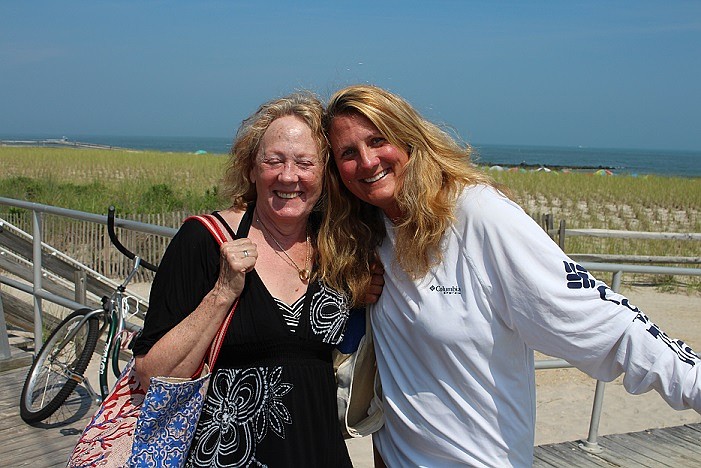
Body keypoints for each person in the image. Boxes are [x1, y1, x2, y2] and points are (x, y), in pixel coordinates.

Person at [318, 84, 701, 467]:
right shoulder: (367, 231)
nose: (367, 162)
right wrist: (352, 287)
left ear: (409, 140)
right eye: (348, 153)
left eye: (378, 140)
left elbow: (606, 321)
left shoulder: (477, 216)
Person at [132, 92, 381, 467]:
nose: (288, 176)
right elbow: (152, 377)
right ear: (251, 169)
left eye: (305, 163)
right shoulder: (205, 239)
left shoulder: (338, 245)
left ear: (324, 174)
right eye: (274, 161)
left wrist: (366, 290)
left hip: (322, 453)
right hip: (227, 458)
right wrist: (222, 293)